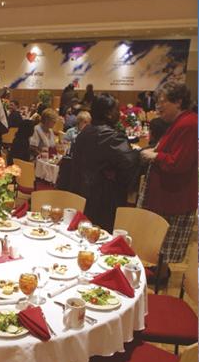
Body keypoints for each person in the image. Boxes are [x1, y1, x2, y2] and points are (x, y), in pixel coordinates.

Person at [140, 82, 197, 277]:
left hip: (174, 196)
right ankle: (159, 271)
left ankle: (161, 276)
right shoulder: (180, 122)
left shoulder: (189, 124)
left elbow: (179, 163)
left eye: (162, 101)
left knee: (166, 240)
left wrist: (155, 156)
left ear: (178, 101)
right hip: (166, 194)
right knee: (161, 240)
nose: (158, 106)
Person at [70, 93, 140, 232]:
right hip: (104, 196)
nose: (119, 113)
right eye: (116, 109)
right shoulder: (112, 137)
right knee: (100, 234)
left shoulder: (85, 131)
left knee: (82, 231)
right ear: (108, 114)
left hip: (80, 190)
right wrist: (140, 154)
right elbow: (129, 162)